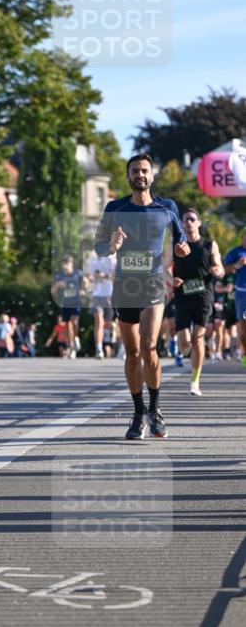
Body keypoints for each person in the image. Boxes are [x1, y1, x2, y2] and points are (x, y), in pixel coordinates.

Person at [94, 153, 189, 440]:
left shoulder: (167, 207)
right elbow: (99, 248)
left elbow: (181, 239)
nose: (140, 175)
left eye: (144, 170)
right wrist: (112, 246)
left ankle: (155, 411)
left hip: (153, 284)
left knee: (149, 347)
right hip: (125, 286)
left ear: (152, 175)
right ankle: (138, 413)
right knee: (133, 353)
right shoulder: (115, 208)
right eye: (135, 171)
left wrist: (182, 249)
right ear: (128, 176)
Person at [172, 209, 224, 395]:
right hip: (182, 296)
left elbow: (219, 266)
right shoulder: (176, 245)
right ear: (182, 224)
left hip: (203, 295)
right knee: (185, 345)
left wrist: (218, 270)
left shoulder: (209, 244)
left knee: (198, 339)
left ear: (199, 223)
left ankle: (195, 382)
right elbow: (165, 267)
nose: (189, 222)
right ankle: (184, 351)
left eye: (192, 219)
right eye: (186, 220)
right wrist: (171, 279)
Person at [51, 255, 85, 358]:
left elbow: (86, 284)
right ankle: (71, 348)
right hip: (65, 302)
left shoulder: (78, 274)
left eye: (67, 263)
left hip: (76, 301)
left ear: (72, 264)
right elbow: (53, 291)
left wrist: (83, 289)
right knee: (67, 325)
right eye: (64, 263)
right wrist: (57, 285)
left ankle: (75, 338)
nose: (65, 265)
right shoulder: (59, 276)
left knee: (74, 321)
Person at [223, 228, 246, 367]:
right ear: (242, 238)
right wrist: (237, 265)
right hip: (241, 292)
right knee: (242, 325)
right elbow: (224, 269)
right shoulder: (235, 252)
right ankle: (244, 352)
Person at [88, 252, 116, 358]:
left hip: (109, 295)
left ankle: (117, 344)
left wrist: (104, 276)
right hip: (97, 295)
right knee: (99, 322)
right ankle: (99, 349)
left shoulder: (112, 259)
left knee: (110, 323)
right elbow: (89, 276)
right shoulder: (92, 261)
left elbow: (115, 276)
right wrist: (91, 278)